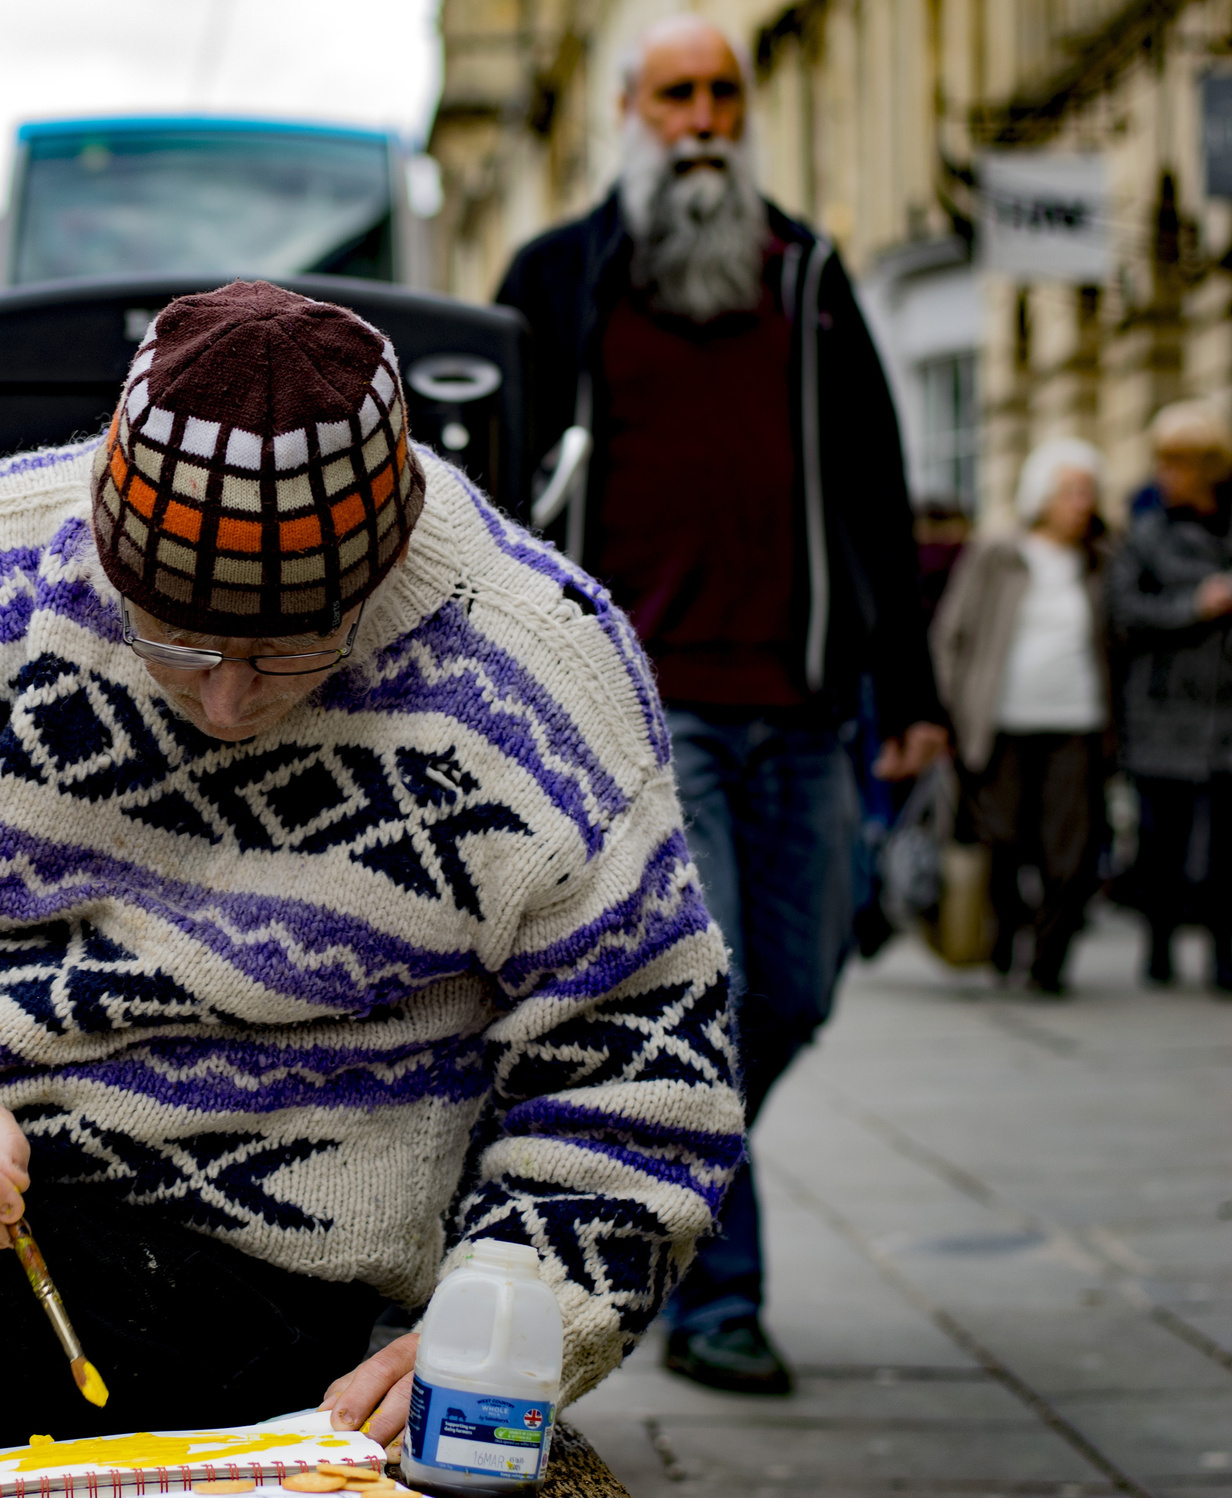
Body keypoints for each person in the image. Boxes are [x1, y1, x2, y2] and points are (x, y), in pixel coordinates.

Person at [0, 282, 742, 1486]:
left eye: (286, 651)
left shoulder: (539, 668)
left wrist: (513, 1318)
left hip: (277, 1288)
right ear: (105, 537)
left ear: (386, 563)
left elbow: (644, 1071)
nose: (223, 701)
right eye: (174, 636)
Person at [496, 17, 945, 1396]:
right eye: (675, 93)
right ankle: (717, 1297)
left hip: (806, 700)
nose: (701, 115)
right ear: (630, 111)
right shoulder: (559, 276)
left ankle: (654, 1184)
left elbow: (874, 488)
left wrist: (909, 686)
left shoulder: (806, 275)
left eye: (722, 93)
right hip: (648, 709)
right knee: (726, 983)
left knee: (800, 988)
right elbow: (504, 495)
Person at [932, 439, 1111, 995]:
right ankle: (1006, 938)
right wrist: (948, 712)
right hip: (1000, 723)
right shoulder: (997, 553)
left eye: (1088, 492)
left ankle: (1049, 961)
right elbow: (951, 634)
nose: (1081, 503)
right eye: (1069, 492)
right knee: (1002, 841)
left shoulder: (1104, 561)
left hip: (1077, 723)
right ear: (1040, 496)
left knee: (1070, 853)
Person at [1109, 402, 1232, 991]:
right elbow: (1124, 613)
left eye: (1180, 463)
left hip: (1224, 709)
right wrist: (1194, 606)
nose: (1167, 474)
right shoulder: (1147, 533)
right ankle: (1159, 945)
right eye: (1163, 462)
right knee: (1163, 838)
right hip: (1162, 709)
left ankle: (1224, 954)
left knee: (1227, 845)